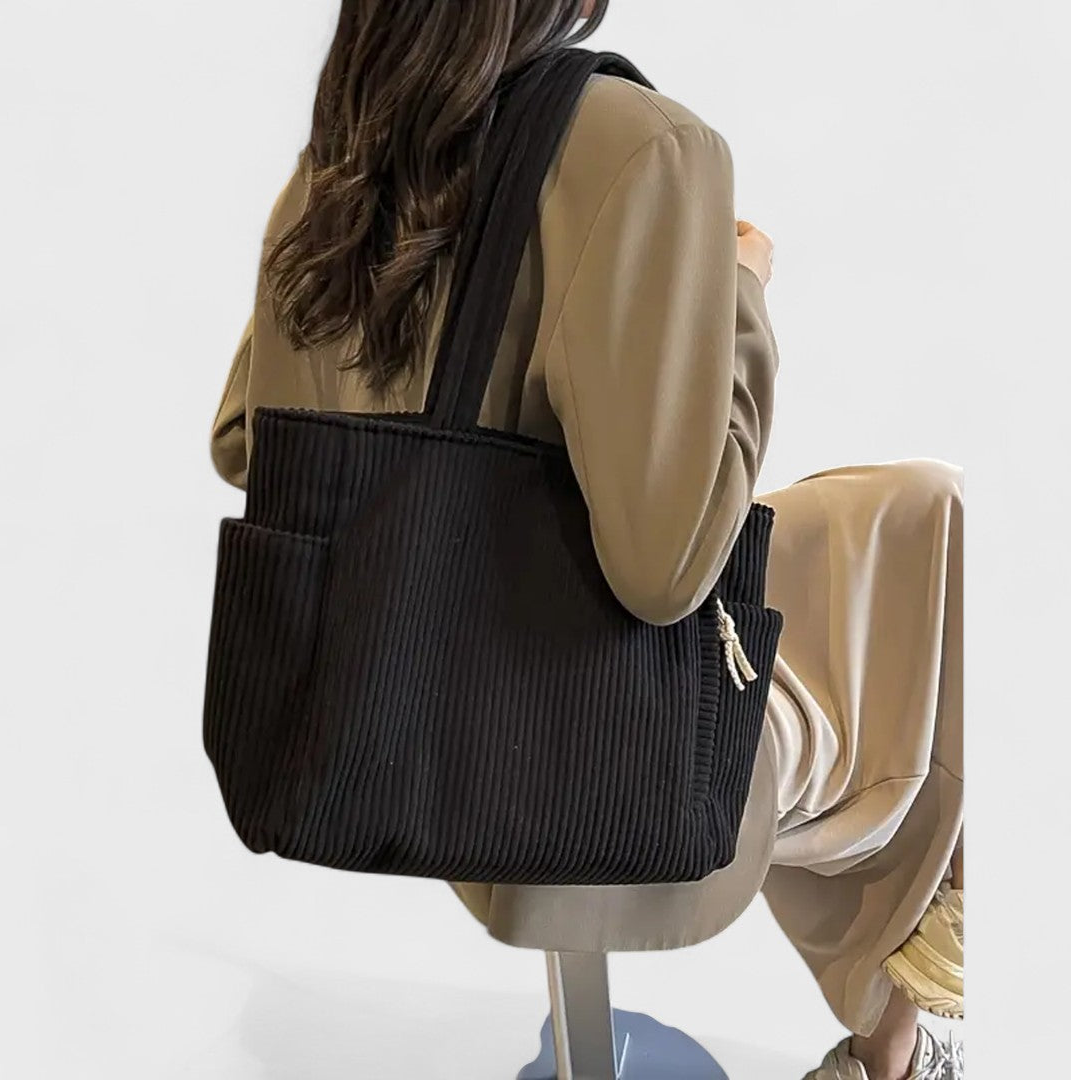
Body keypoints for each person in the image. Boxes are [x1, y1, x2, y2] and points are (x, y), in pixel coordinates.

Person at [208, 3, 964, 1077]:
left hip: (385, 733)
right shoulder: (642, 147)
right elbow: (666, 572)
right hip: (592, 780)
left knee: (902, 513)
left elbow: (245, 444)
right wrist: (737, 298)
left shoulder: (345, 158)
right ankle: (900, 1048)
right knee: (940, 558)